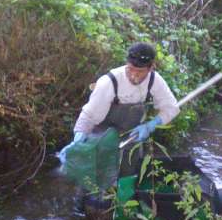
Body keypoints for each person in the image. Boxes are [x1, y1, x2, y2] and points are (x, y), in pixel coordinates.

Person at [62, 42, 180, 176]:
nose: (134, 75)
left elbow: (171, 108)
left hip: (132, 136)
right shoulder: (109, 81)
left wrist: (151, 124)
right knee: (94, 173)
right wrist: (78, 139)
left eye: (140, 71)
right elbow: (90, 115)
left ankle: (124, 195)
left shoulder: (155, 81)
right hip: (102, 136)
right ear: (127, 64)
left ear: (151, 68)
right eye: (130, 69)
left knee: (129, 170)